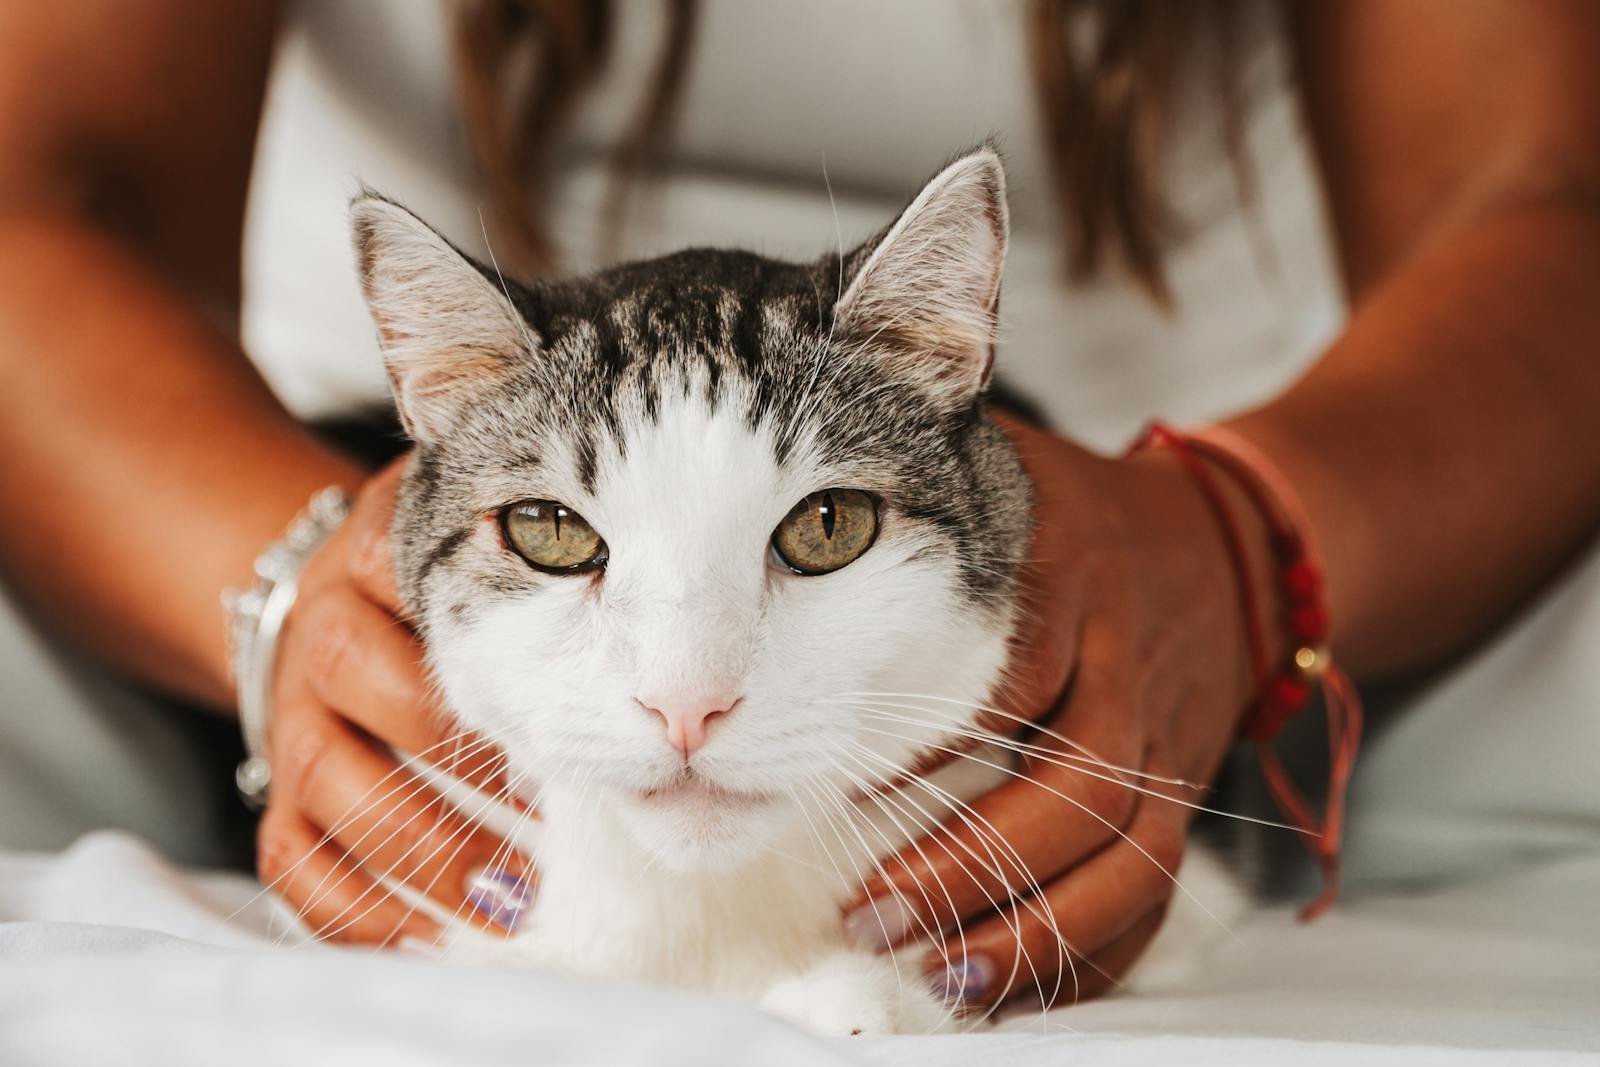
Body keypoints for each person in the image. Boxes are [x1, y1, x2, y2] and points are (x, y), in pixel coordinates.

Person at [1, 0, 1598, 1009]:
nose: (684, 702)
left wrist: (1255, 542)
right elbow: (35, 197)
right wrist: (276, 596)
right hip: (302, 448)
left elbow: (1550, 202)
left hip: (1189, 474)